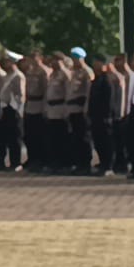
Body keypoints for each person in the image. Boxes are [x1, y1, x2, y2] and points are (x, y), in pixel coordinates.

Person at [65, 47, 94, 175]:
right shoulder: (73, 72)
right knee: (75, 137)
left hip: (81, 107)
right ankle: (78, 163)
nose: (73, 61)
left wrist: (86, 108)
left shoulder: (87, 72)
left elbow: (88, 92)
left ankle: (86, 164)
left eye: (75, 58)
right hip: (72, 108)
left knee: (83, 137)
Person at [0, 51, 25, 170]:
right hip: (5, 108)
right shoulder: (6, 76)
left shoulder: (18, 76)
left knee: (15, 137)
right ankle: (10, 162)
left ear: (13, 62)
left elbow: (21, 95)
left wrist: (19, 109)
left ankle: (16, 163)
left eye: (8, 61)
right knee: (7, 136)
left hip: (14, 108)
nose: (5, 63)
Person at [87, 55, 115, 177]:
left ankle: (108, 166)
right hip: (95, 116)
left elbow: (109, 99)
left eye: (97, 63)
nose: (95, 65)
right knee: (98, 141)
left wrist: (108, 116)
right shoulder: (96, 79)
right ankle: (102, 163)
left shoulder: (107, 80)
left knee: (106, 142)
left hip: (104, 116)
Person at [23, 52, 49, 173]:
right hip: (30, 104)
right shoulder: (29, 72)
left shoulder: (44, 72)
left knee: (40, 134)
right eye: (31, 59)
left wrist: (45, 107)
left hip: (39, 104)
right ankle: (32, 158)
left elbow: (45, 90)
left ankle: (41, 159)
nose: (32, 61)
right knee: (30, 135)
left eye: (35, 58)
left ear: (40, 59)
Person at [44, 53, 69, 173]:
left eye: (55, 61)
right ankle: (54, 162)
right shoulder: (52, 74)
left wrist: (66, 110)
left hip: (61, 108)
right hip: (51, 109)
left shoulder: (65, 74)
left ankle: (63, 163)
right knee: (52, 137)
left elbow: (68, 93)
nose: (52, 63)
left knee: (62, 137)